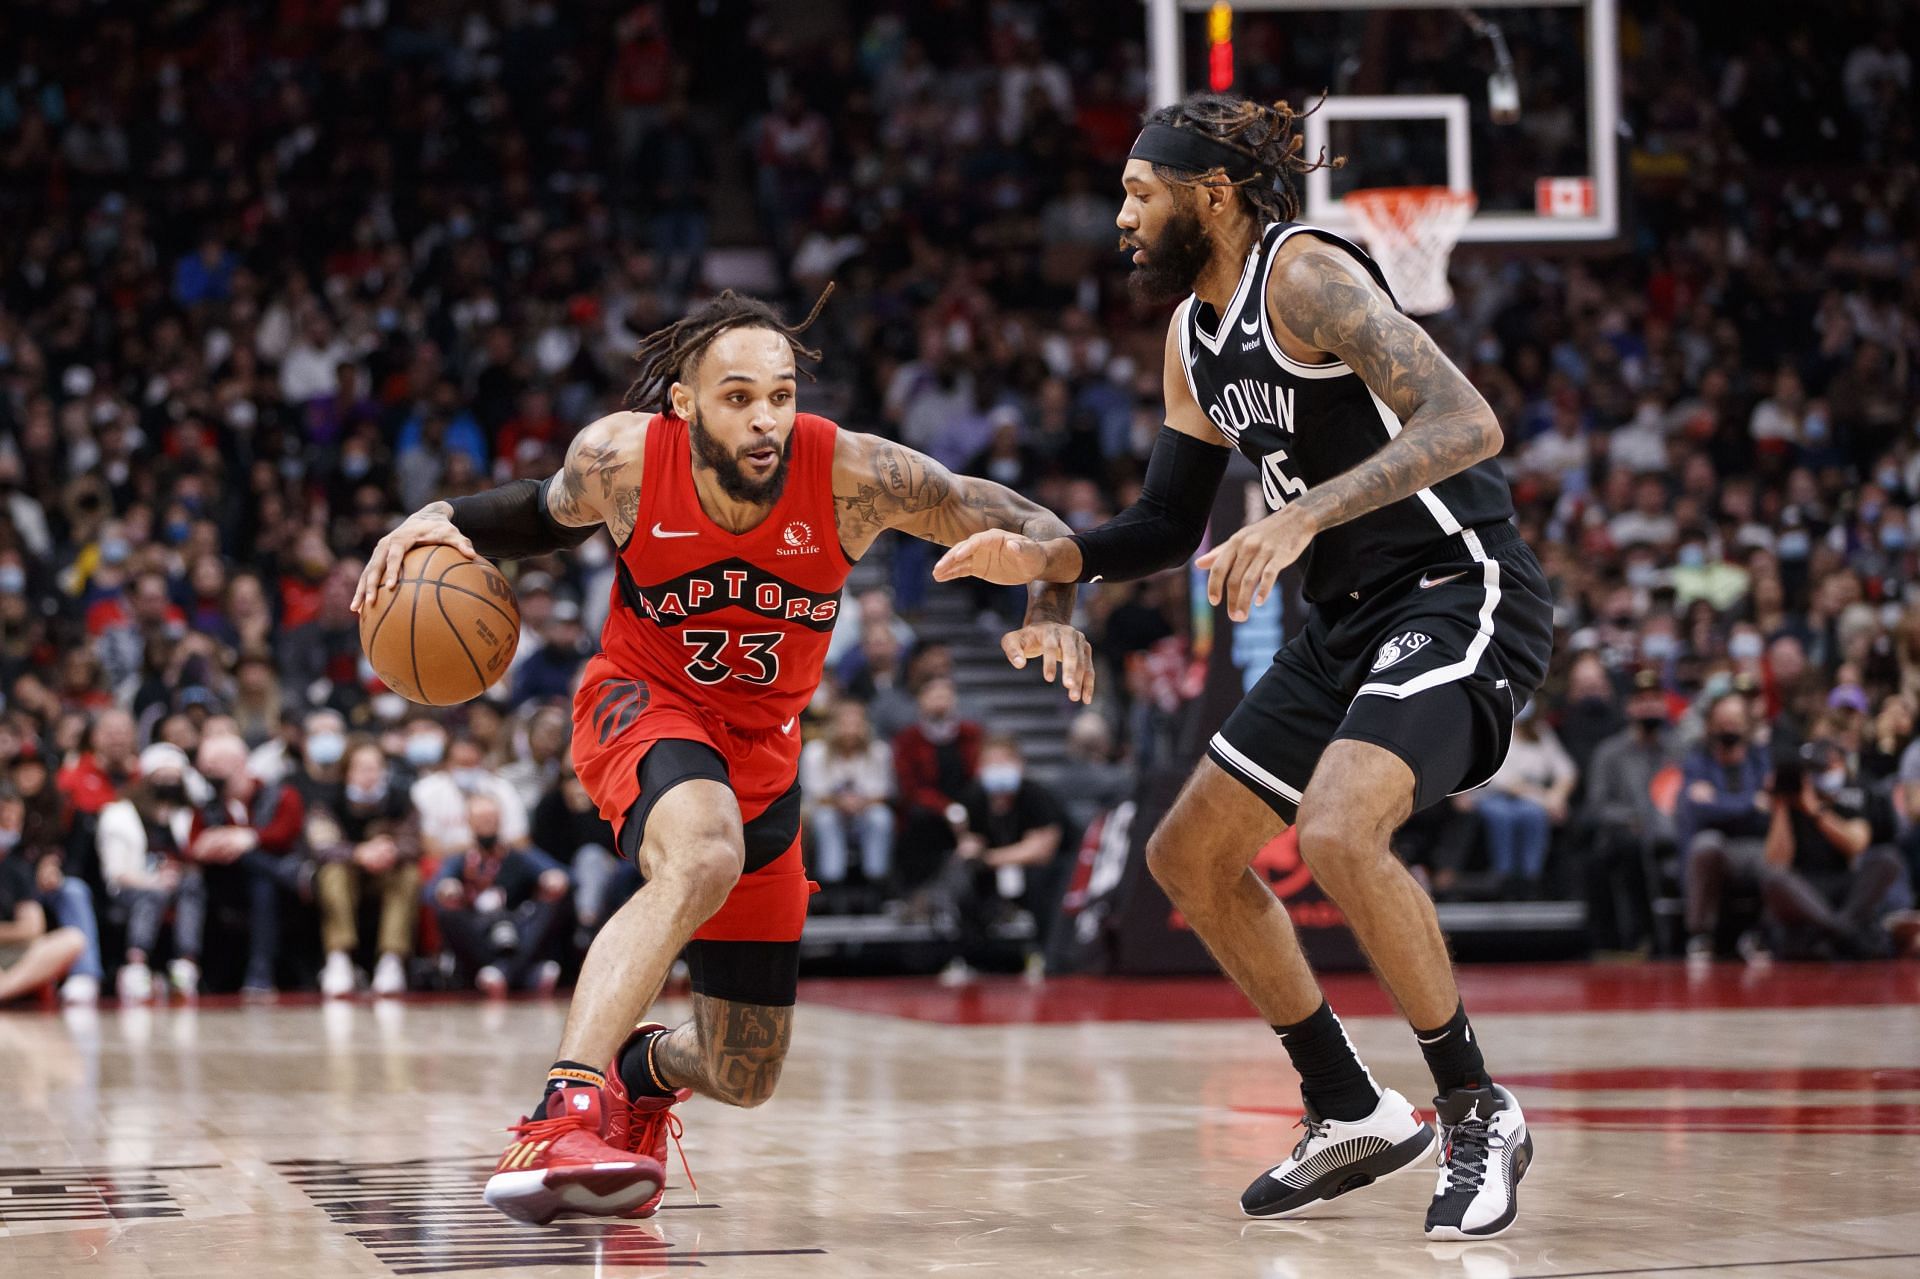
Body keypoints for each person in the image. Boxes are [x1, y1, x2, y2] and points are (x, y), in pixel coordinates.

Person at [935, 92, 1555, 1238]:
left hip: (1456, 586)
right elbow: (1169, 520)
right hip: (1345, 618)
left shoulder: (1306, 277)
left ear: (1210, 193)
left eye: (1139, 190)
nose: (1121, 214)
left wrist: (1300, 517)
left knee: (1335, 827)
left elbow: (1468, 423)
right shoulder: (1189, 334)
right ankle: (1347, 1102)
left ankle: (1476, 1105)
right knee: (1190, 859)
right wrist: (1053, 555)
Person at [353, 289, 1093, 1224]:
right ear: (683, 403)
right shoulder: (621, 458)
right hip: (643, 701)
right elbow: (542, 516)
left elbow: (1033, 523)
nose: (766, 419)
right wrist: (435, 516)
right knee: (703, 850)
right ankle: (563, 1107)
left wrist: (1051, 604)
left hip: (767, 756)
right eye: (738, 396)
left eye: (780, 395)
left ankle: (642, 1066)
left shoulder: (852, 475)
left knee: (746, 1070)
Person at [1759, 737, 1909, 959]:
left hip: (1844, 883)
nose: (1819, 774)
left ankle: (1837, 926)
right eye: (1812, 769)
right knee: (1774, 878)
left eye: (1824, 767)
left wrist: (1816, 811)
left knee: (1888, 858)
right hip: (1806, 888)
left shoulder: (1851, 794)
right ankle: (1842, 929)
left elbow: (1856, 845)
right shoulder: (1789, 801)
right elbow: (1777, 861)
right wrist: (1782, 805)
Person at [937, 735, 1067, 980]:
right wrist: (967, 844)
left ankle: (1042, 955)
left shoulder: (1036, 795)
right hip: (996, 869)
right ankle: (969, 959)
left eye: (1003, 762)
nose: (997, 769)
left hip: (1039, 869)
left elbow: (1042, 849)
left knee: (1044, 881)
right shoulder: (975, 796)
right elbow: (971, 841)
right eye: (990, 763)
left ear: (1019, 765)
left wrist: (991, 858)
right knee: (965, 882)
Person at [426, 793, 570, 996]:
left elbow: (560, 874)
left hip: (517, 927)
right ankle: (523, 974)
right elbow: (432, 890)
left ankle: (502, 972)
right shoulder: (460, 859)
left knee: (551, 906)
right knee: (447, 914)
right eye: (481, 820)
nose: (487, 825)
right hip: (478, 931)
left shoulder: (518, 855)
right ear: (469, 823)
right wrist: (446, 887)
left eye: (491, 819)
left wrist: (553, 877)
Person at [96, 744, 207, 1000]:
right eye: (162, 776)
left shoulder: (185, 815)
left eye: (175, 777)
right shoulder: (120, 814)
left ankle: (185, 963)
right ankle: (136, 964)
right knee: (153, 895)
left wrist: (175, 874)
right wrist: (152, 881)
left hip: (173, 882)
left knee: (192, 884)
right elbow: (116, 872)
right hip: (129, 884)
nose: (169, 783)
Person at [311, 741, 421, 998]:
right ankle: (339, 958)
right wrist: (359, 853)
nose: (369, 774)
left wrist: (390, 850)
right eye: (362, 768)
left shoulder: (400, 799)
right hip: (349, 872)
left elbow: (413, 842)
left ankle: (391, 960)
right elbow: (321, 845)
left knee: (410, 874)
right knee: (332, 872)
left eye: (375, 768)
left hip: (385, 871)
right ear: (347, 771)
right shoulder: (329, 800)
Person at [1580, 675, 1677, 952]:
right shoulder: (1609, 752)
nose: (1649, 707)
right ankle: (1638, 939)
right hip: (1626, 837)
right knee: (1620, 850)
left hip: (1671, 833)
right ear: (1629, 707)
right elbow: (1597, 805)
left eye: (1655, 700)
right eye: (1642, 701)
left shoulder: (1680, 750)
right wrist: (1630, 819)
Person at [1678, 694, 1772, 961]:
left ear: (1747, 726)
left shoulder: (1760, 759)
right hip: (1711, 846)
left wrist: (1720, 804)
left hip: (1752, 847)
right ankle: (1700, 937)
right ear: (1710, 725)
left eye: (1735, 722)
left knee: (1775, 853)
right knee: (1706, 844)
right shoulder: (1697, 760)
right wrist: (1750, 804)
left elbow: (1770, 815)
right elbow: (1697, 812)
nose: (1728, 729)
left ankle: (1760, 935)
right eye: (1722, 723)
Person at [1467, 707, 1576, 897]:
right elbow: (1504, 782)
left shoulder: (1540, 731)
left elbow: (1566, 770)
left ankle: (1530, 878)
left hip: (1534, 798)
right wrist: (1545, 799)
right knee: (1502, 815)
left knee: (1531, 814)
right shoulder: (1490, 729)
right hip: (1492, 795)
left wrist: (1557, 796)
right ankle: (1503, 878)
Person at [798, 700, 896, 902]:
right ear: (833, 726)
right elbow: (813, 792)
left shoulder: (879, 751)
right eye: (845, 723)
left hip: (865, 812)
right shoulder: (815, 752)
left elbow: (884, 791)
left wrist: (860, 803)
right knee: (826, 819)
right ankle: (831, 884)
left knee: (881, 817)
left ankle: (875, 882)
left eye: (856, 723)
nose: (851, 729)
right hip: (826, 812)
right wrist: (840, 802)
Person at [0, 788, 86, 1005]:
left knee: (72, 939)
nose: (9, 824)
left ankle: (4, 989)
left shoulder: (16, 867)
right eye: (3, 816)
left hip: (10, 953)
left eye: (15, 819)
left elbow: (32, 927)